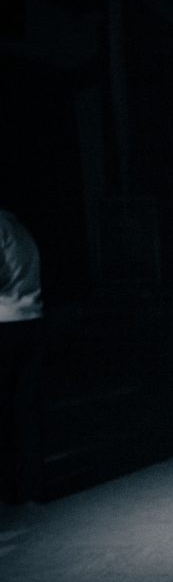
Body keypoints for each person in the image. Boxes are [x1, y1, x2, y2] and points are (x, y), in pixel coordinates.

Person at [0, 207, 44, 505]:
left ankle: (5, 488)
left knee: (3, 410)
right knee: (27, 409)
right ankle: (32, 487)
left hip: (4, 322)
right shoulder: (21, 229)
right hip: (32, 319)